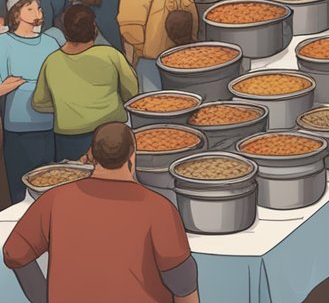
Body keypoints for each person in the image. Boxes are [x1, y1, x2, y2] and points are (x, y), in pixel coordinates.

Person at [2, 122, 199, 303]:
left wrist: (42, 297)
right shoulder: (158, 209)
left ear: (91, 155)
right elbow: (183, 284)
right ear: (132, 156)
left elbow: (15, 252)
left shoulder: (55, 200)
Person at [31, 5, 138, 163]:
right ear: (94, 28)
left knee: (73, 182)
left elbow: (39, 102)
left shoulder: (51, 61)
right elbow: (132, 92)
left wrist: (66, 107)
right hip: (111, 133)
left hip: (69, 138)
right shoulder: (110, 55)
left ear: (65, 30)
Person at [0, 0, 62, 203]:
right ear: (16, 14)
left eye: (38, 7)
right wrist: (11, 85)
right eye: (30, 8)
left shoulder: (51, 43)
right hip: (18, 128)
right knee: (21, 190)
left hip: (49, 125)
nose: (37, 12)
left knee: (49, 185)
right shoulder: (3, 43)